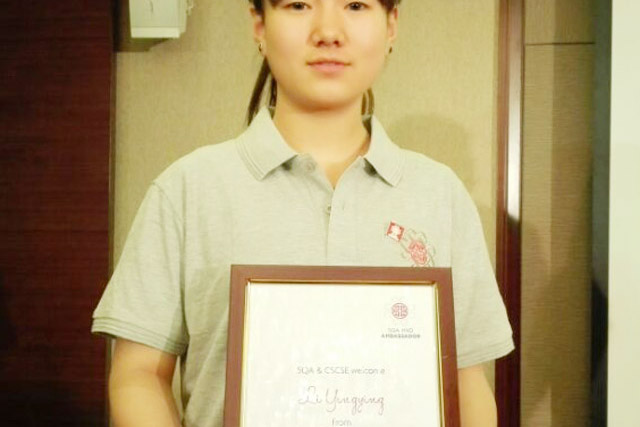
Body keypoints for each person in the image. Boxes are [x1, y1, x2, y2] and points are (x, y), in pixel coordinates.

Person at [92, 0, 514, 425]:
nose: (328, 32)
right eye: (298, 4)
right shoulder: (188, 190)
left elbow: (467, 381)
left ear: (391, 25)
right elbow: (139, 375)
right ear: (259, 24)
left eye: (355, 5)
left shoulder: (441, 195)